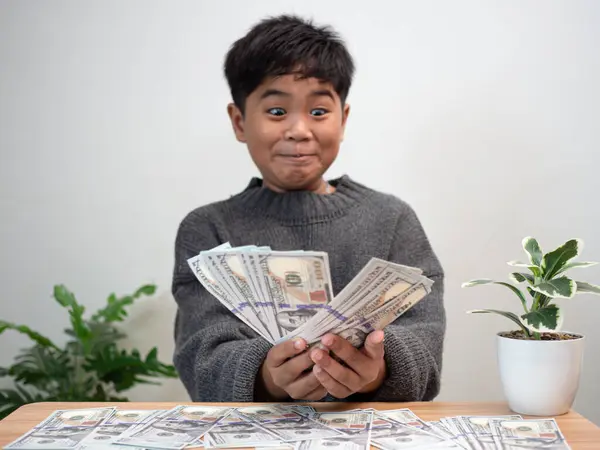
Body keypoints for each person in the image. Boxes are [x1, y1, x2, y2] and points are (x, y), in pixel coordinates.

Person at [171, 14, 445, 403]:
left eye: (318, 112)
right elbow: (201, 356)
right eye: (277, 111)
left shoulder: (393, 220)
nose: (299, 130)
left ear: (343, 119)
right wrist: (267, 374)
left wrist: (376, 371)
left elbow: (425, 343)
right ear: (239, 121)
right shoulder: (208, 229)